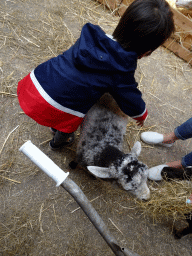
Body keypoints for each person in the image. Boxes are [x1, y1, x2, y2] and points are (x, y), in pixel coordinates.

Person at [17, 0, 175, 150]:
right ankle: (58, 142)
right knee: (72, 116)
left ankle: (55, 125)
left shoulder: (91, 36)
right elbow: (129, 98)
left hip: (37, 82)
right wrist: (141, 114)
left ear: (123, 22)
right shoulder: (122, 69)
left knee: (69, 89)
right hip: (53, 103)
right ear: (147, 52)